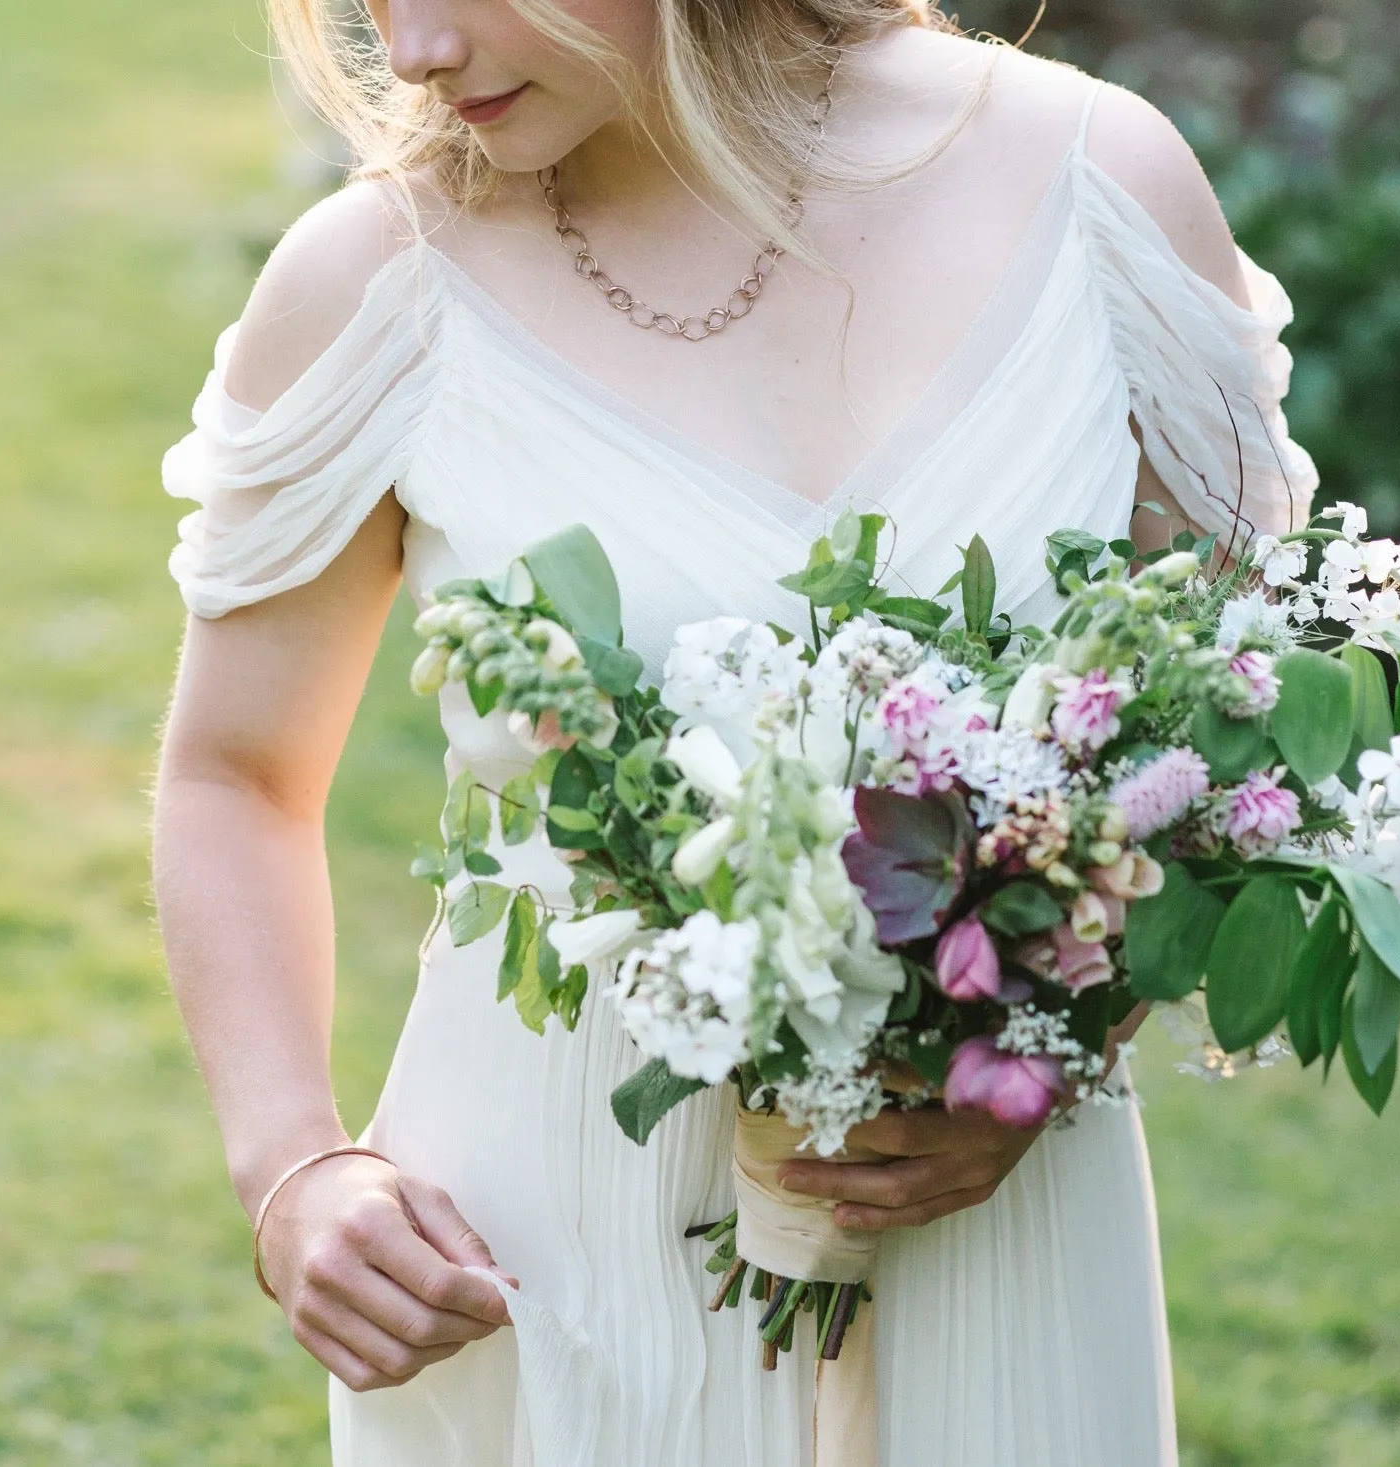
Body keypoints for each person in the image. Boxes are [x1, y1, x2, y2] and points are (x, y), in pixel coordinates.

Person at [152, 0, 1316, 1462]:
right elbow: (235, 776)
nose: (418, 50)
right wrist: (294, 1167)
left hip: (991, 1227)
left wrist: (1057, 1043)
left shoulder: (1095, 185)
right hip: (544, 1256)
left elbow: (1227, 728)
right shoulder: (378, 277)